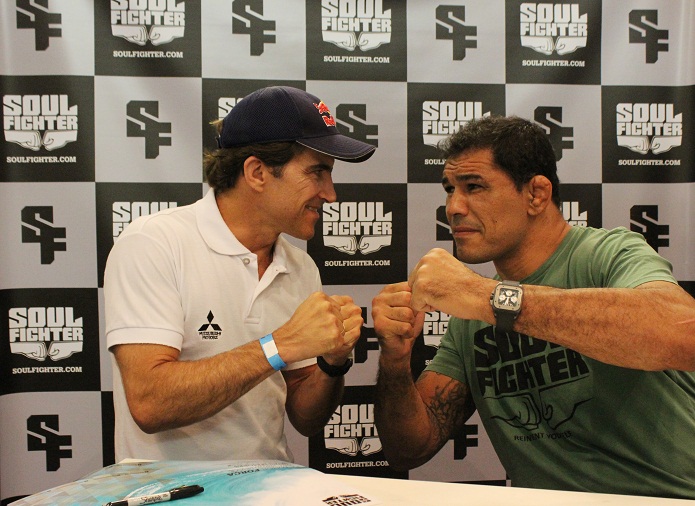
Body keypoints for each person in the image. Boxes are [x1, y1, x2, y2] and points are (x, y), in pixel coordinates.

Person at [371, 115, 695, 498]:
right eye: (450, 189)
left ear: (536, 194)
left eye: (474, 187)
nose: (453, 207)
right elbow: (408, 449)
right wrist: (395, 360)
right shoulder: (472, 314)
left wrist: (489, 298)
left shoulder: (606, 255)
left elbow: (683, 334)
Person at [104, 86, 376, 462]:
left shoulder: (301, 268)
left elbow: (306, 418)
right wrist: (280, 345)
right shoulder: (154, 243)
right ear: (257, 172)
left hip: (270, 485)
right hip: (168, 490)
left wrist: (332, 362)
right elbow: (150, 403)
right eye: (317, 172)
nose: (330, 194)